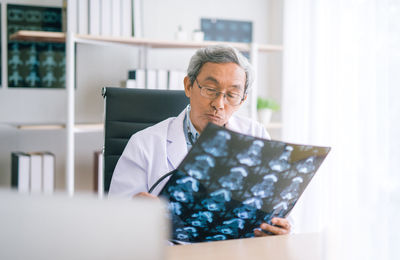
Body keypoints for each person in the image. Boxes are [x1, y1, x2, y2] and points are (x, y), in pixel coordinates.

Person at [109, 45, 291, 237]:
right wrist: (135, 214)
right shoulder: (145, 143)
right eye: (211, 90)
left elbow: (280, 209)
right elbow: (115, 218)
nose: (218, 104)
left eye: (232, 95)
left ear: (243, 100)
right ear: (188, 86)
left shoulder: (256, 135)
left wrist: (280, 227)